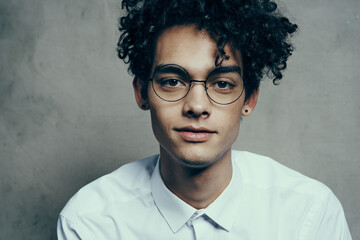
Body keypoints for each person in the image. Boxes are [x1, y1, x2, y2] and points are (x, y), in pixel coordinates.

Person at [57, 0, 352, 239]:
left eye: (222, 84)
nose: (197, 106)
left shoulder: (309, 214)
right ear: (142, 92)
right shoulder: (91, 222)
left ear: (249, 99)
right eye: (173, 81)